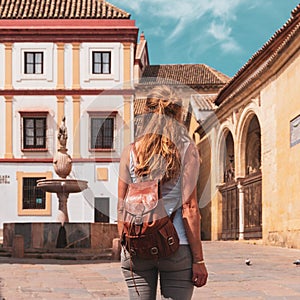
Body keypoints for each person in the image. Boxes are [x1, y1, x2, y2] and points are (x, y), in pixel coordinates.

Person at [118, 85, 208, 299]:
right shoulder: (186, 149)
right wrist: (199, 260)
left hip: (137, 246)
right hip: (177, 245)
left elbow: (121, 206)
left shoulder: (130, 151)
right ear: (177, 114)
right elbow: (190, 208)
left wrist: (125, 243)